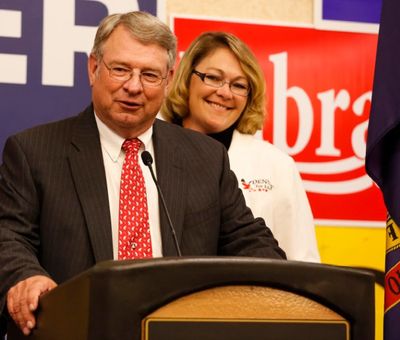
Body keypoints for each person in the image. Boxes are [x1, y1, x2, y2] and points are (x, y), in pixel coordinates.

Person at [0, 12, 286, 337]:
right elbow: (9, 235)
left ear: (168, 80)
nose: (133, 87)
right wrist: (25, 277)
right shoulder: (34, 150)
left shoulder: (206, 157)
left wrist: (282, 283)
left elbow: (246, 238)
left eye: (150, 75)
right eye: (120, 69)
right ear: (94, 68)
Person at [162, 31, 320, 263]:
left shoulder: (276, 165)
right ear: (187, 78)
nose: (224, 93)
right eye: (213, 78)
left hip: (252, 298)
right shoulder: (147, 147)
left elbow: (303, 262)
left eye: (238, 85)